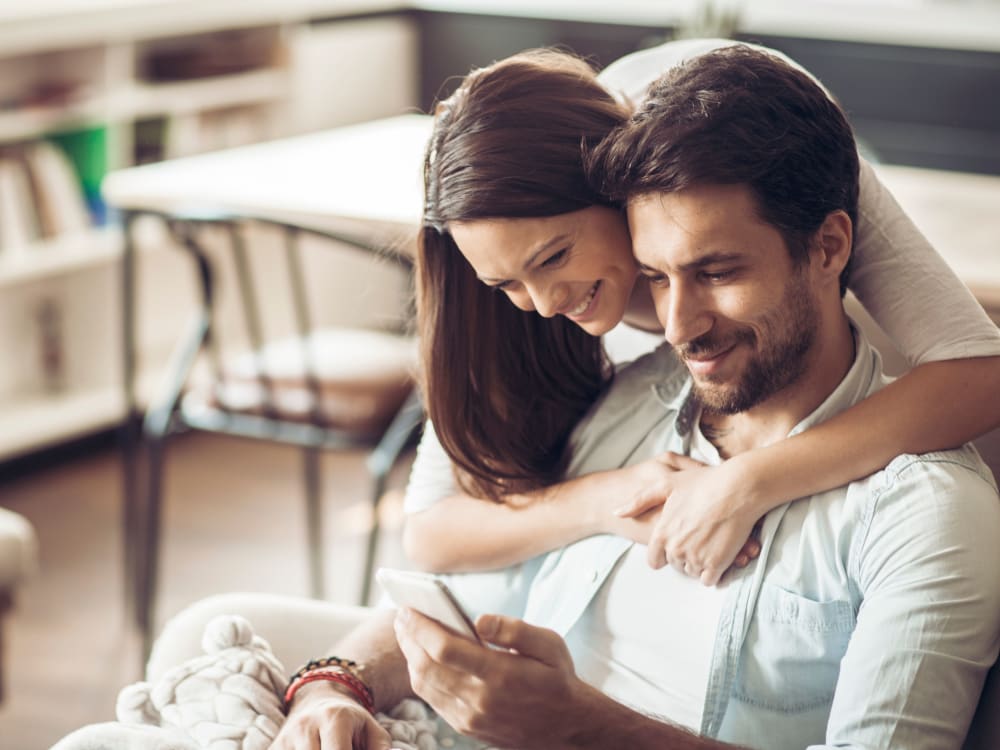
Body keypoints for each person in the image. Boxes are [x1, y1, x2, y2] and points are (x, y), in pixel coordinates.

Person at [269, 44, 1000, 750]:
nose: (677, 328)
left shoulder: (919, 512)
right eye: (655, 277)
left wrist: (578, 728)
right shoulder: (634, 399)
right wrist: (332, 686)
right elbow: (444, 570)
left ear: (831, 247)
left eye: (716, 270)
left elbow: (981, 372)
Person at [402, 39, 1000, 585]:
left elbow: (981, 372)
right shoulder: (505, 251)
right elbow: (429, 532)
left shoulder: (739, 133)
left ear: (617, 186)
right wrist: (605, 498)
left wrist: (750, 480)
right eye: (505, 282)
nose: (545, 304)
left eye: (557, 256)